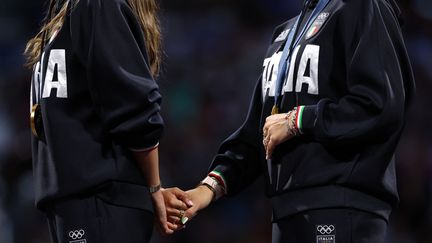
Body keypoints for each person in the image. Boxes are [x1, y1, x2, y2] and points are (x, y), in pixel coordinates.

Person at [164, 0, 415, 242]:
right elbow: (257, 133)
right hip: (286, 213)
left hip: (341, 204)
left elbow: (380, 104)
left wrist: (299, 120)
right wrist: (205, 190)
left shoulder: (362, 6)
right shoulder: (285, 35)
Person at [24, 0, 179, 242]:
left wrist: (154, 187)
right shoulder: (68, 11)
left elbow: (135, 108)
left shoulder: (98, 5)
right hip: (75, 201)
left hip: (103, 198)